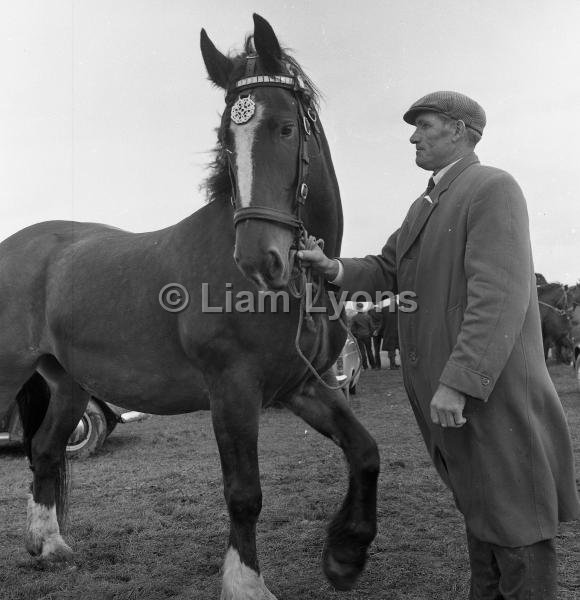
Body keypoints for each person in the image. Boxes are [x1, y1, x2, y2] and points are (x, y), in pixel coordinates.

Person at [299, 91, 580, 598]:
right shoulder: (425, 204)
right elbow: (387, 269)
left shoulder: (492, 187)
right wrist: (331, 268)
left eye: (424, 125)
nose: (413, 135)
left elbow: (499, 296)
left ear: (458, 130)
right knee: (482, 515)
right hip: (454, 397)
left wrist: (459, 382)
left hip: (489, 394)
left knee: (517, 523)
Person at [350, 302, 375, 370]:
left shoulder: (354, 318)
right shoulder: (367, 317)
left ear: (357, 308)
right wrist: (370, 334)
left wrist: (356, 335)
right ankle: (373, 365)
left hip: (359, 336)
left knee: (362, 351)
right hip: (367, 335)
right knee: (369, 350)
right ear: (362, 307)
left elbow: (352, 328)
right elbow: (372, 327)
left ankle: (365, 366)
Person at [381, 300, 399, 370]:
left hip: (389, 332)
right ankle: (404, 365)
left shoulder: (384, 309)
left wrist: (381, 332)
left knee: (391, 350)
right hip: (399, 332)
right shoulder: (402, 309)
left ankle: (393, 365)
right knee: (402, 350)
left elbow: (383, 323)